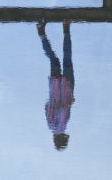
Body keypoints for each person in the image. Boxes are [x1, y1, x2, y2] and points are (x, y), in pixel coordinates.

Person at [37, 20, 75, 150]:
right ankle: (41, 32)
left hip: (66, 89)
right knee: (54, 59)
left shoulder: (61, 127)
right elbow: (46, 106)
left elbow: (63, 110)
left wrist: (70, 103)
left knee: (67, 58)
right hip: (54, 87)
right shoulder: (50, 126)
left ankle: (66, 27)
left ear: (62, 139)